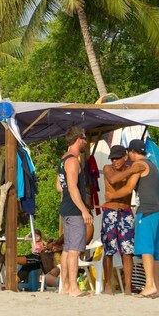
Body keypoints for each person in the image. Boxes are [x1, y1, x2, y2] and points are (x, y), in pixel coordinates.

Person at [55, 126, 92, 297]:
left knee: (67, 248)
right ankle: (73, 288)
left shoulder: (62, 159)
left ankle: (64, 288)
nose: (85, 142)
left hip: (65, 208)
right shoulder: (72, 161)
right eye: (84, 139)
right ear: (79, 139)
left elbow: (58, 186)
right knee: (75, 250)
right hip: (74, 209)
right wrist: (84, 210)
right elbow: (71, 187)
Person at [101, 144, 141, 295]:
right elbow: (113, 180)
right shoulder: (107, 168)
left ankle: (128, 287)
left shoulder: (131, 169)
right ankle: (107, 285)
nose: (114, 161)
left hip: (126, 211)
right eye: (113, 158)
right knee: (109, 249)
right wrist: (131, 170)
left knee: (127, 250)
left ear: (125, 157)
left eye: (118, 158)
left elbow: (131, 186)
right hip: (109, 210)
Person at [127, 138, 159, 298]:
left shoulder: (138, 165)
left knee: (146, 249)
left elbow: (128, 188)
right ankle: (156, 287)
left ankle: (149, 286)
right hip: (156, 210)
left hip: (146, 210)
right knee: (154, 251)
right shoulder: (153, 165)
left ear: (132, 152)